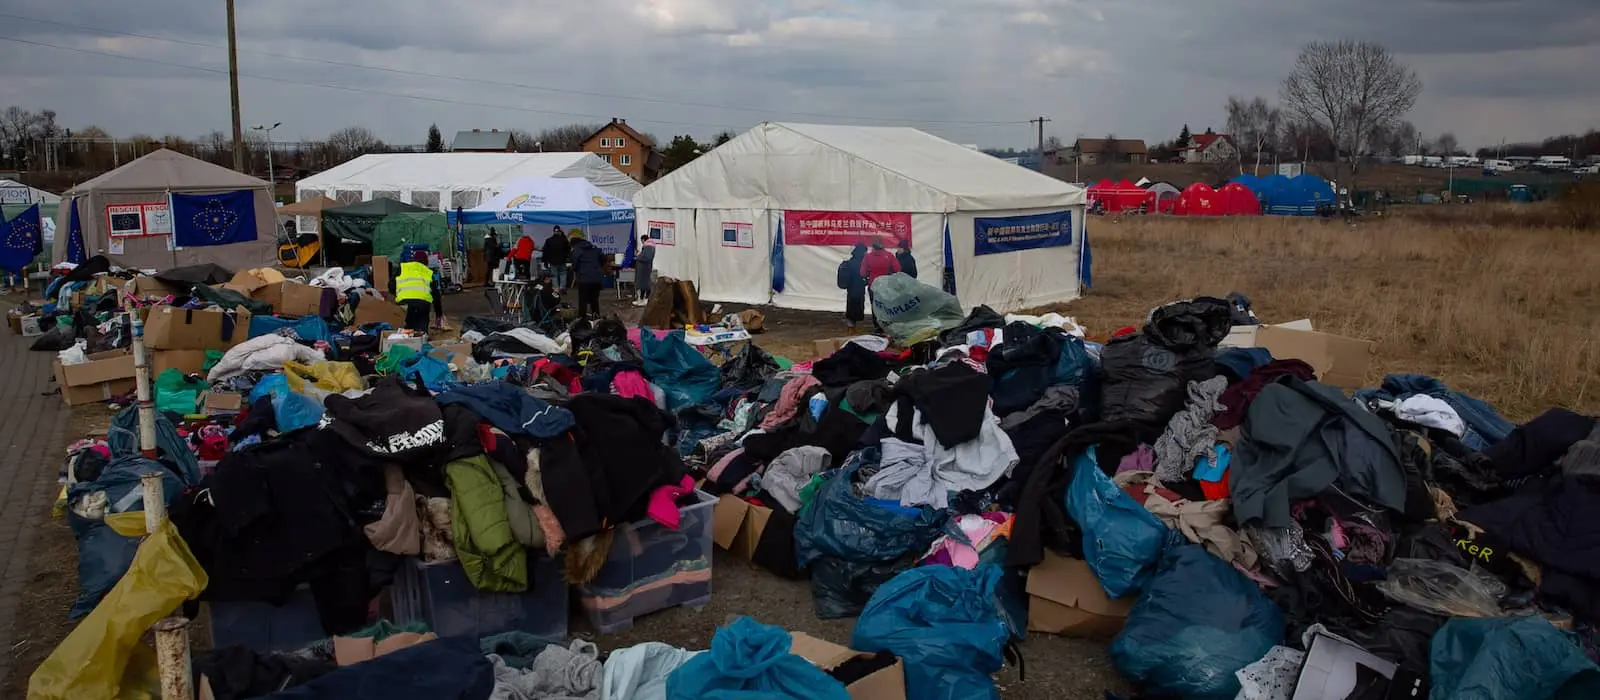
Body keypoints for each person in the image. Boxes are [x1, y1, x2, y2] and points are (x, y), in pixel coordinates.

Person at [394, 250, 443, 332]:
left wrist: (398, 294)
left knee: (408, 326)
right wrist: (439, 314)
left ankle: (407, 335)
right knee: (421, 328)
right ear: (426, 262)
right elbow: (436, 295)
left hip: (404, 303)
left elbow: (391, 285)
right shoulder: (428, 273)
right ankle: (421, 336)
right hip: (422, 304)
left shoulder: (403, 268)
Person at [569, 230, 605, 318]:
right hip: (596, 278)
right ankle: (596, 318)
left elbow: (575, 264)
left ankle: (583, 320)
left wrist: (577, 269)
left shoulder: (577, 250)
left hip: (584, 278)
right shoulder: (595, 248)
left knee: (583, 300)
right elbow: (603, 259)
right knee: (594, 300)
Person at [838, 243, 868, 333]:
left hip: (851, 289)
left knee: (851, 307)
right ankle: (852, 327)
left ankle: (851, 326)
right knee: (857, 307)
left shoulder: (850, 262)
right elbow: (864, 275)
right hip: (860, 289)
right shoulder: (862, 263)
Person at [541, 224, 571, 290]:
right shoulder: (564, 240)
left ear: (553, 231)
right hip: (562, 260)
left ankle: (556, 289)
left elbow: (545, 251)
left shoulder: (549, 240)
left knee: (554, 275)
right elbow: (568, 249)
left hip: (553, 261)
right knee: (563, 274)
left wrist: (545, 261)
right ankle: (562, 288)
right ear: (559, 231)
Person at [632, 234, 656, 307]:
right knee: (642, 284)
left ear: (643, 239)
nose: (641, 242)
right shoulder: (647, 246)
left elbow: (647, 258)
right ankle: (641, 299)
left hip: (645, 269)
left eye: (641, 240)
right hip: (643, 268)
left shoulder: (649, 246)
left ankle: (646, 299)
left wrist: (638, 257)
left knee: (645, 284)